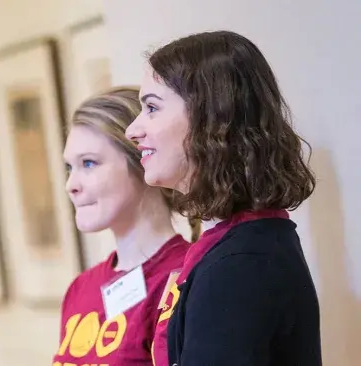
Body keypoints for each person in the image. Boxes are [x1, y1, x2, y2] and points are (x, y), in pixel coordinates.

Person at [126, 31, 322, 365]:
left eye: (152, 108)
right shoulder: (244, 243)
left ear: (212, 116)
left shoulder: (242, 262)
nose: (132, 130)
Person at [52, 86, 200, 366]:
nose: (71, 185)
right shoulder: (81, 288)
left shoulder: (187, 277)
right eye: (69, 168)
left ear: (142, 162)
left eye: (89, 163)